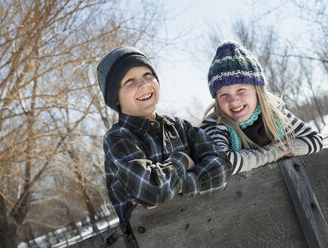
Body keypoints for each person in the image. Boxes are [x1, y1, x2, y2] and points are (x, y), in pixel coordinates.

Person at [97, 46, 232, 227]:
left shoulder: (178, 126)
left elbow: (222, 165)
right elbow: (152, 189)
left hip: (204, 227)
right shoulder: (118, 139)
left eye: (148, 75)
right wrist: (183, 160)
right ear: (115, 98)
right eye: (130, 81)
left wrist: (180, 186)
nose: (144, 84)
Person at [201, 40, 323, 175]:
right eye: (223, 95)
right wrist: (272, 152)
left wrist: (289, 147)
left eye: (240, 89)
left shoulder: (275, 116)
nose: (233, 100)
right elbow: (223, 163)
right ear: (216, 99)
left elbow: (315, 140)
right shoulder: (215, 125)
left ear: (257, 90)